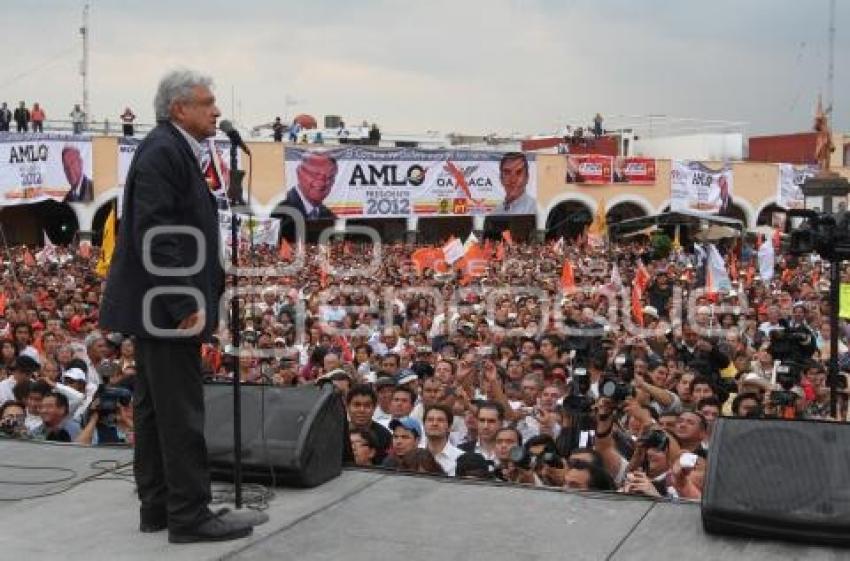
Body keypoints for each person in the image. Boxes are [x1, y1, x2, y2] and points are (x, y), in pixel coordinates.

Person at [99, 69, 264, 544]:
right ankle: (189, 515)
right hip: (166, 309)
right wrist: (182, 301)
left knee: (153, 411)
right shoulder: (164, 151)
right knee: (181, 413)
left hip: (157, 307)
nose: (216, 110)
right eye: (207, 102)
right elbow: (156, 232)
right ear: (179, 109)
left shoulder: (170, 149)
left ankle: (158, 506)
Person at [282, 152, 337, 219]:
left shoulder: (330, 216)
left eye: (329, 177)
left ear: (333, 182)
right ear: (299, 174)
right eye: (314, 174)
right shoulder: (283, 209)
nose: (321, 182)